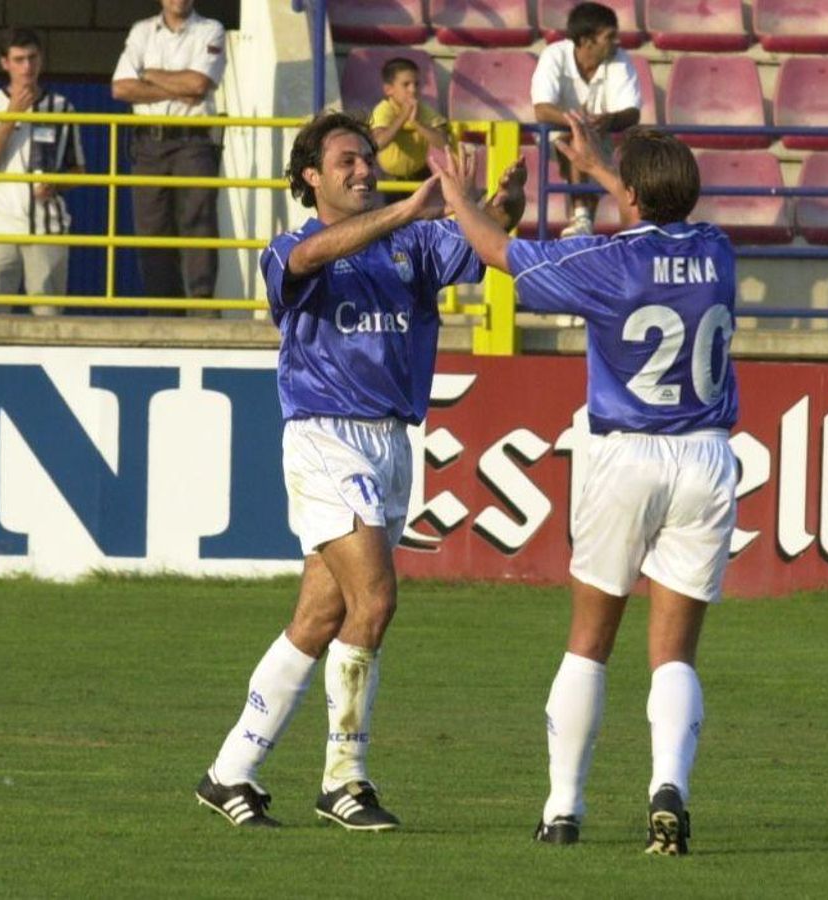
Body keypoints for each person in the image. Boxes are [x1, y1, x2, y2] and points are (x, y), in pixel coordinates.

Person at [194, 111, 525, 831]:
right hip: (324, 437)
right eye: (347, 160)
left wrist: (509, 198)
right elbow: (311, 261)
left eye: (368, 159)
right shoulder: (290, 246)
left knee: (319, 617)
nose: (364, 169)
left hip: (392, 442)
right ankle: (344, 779)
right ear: (310, 176)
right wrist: (411, 206)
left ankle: (229, 772)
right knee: (374, 601)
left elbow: (488, 239)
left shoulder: (414, 243)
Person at [431, 114, 738, 855]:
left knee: (589, 641)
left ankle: (563, 808)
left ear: (630, 196)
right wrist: (609, 169)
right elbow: (656, 216)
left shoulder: (608, 264)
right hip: (706, 458)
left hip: (626, 454)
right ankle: (669, 787)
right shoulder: (719, 250)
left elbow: (498, 251)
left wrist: (456, 194)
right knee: (674, 655)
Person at [112, 0, 228, 302]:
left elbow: (199, 85)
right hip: (148, 144)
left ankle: (201, 306)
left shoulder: (211, 29)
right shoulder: (142, 31)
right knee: (151, 231)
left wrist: (149, 74)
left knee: (199, 225)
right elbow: (120, 88)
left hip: (194, 141)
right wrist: (177, 88)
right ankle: (162, 310)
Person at [0, 27, 86, 316]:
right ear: (4, 63)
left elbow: (79, 170)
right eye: (19, 59)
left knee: (48, 319)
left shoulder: (62, 107)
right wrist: (10, 117)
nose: (27, 67)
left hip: (48, 227)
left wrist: (55, 184)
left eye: (32, 58)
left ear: (41, 59)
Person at [531, 1, 641, 237]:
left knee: (589, 144)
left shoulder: (620, 59)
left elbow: (632, 113)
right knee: (576, 140)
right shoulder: (553, 55)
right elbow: (542, 110)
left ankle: (583, 222)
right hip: (555, 136)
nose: (616, 42)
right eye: (609, 36)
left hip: (601, 135)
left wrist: (608, 120)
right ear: (585, 41)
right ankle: (582, 217)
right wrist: (577, 123)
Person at [368, 56, 450, 192]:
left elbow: (444, 144)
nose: (413, 90)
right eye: (406, 84)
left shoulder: (424, 110)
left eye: (416, 84)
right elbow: (377, 143)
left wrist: (416, 123)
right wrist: (403, 117)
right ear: (389, 89)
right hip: (390, 180)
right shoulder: (384, 109)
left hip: (420, 176)